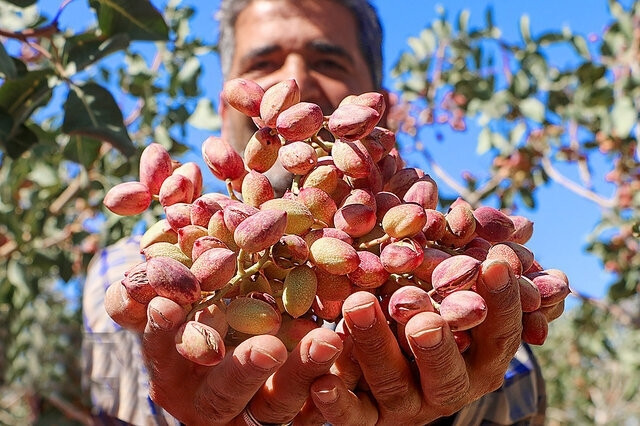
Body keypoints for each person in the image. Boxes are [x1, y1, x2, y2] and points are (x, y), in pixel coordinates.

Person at [88, 0, 551, 424]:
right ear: (225, 104)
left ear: (380, 109)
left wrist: (451, 405)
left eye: (328, 61)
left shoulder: (439, 240)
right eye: (262, 63)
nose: (294, 83)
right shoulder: (147, 255)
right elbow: (125, 376)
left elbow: (509, 366)